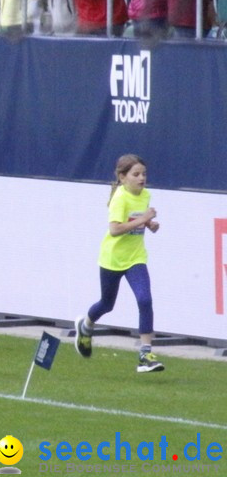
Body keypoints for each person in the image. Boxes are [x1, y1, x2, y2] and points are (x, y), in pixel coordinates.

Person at [74, 154, 164, 374]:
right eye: (136, 174)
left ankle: (145, 354)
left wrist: (149, 224)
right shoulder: (120, 198)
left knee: (145, 299)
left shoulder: (145, 195)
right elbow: (114, 229)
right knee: (107, 304)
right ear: (123, 178)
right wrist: (144, 219)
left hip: (136, 258)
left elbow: (135, 221)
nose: (141, 178)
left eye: (144, 173)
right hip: (112, 259)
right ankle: (85, 326)